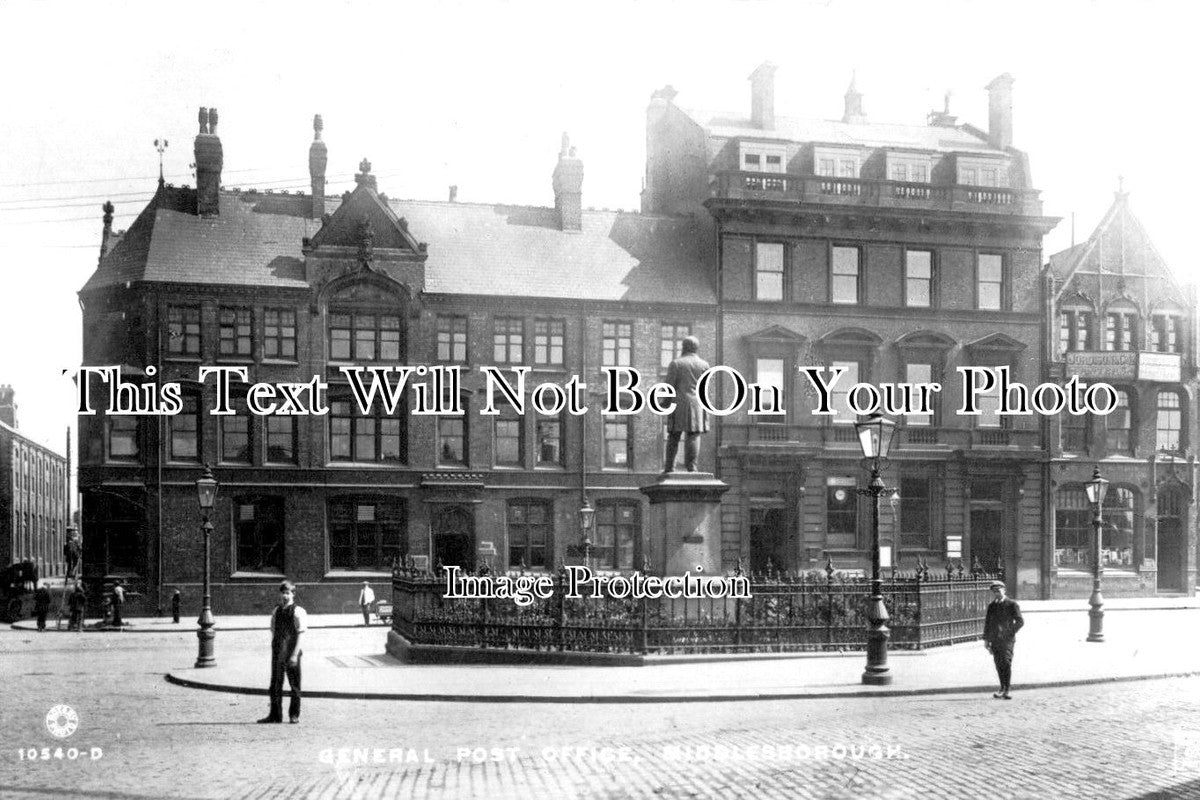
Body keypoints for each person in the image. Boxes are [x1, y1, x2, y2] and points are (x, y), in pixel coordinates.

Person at [259, 580, 307, 724]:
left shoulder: (298, 611)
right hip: (279, 652)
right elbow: (273, 629)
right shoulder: (276, 611)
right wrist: (277, 646)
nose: (285, 596)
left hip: (292, 651)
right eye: (283, 593)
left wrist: (294, 655)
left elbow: (301, 634)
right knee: (275, 684)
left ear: (293, 594)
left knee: (294, 685)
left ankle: (294, 715)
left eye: (288, 593)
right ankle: (275, 715)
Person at [663, 335, 710, 473]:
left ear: (683, 347)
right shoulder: (704, 365)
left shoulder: (676, 363)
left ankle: (669, 468)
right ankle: (692, 467)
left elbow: (669, 387)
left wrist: (665, 403)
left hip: (679, 404)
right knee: (694, 435)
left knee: (674, 435)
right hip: (697, 404)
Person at [983, 580, 1024, 699]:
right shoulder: (992, 606)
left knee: (1006, 662)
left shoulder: (1012, 604)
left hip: (1007, 640)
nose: (997, 593)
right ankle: (1002, 688)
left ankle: (1007, 689)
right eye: (994, 591)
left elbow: (1020, 621)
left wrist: (1009, 632)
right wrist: (986, 640)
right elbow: (988, 623)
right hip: (995, 639)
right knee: (998, 663)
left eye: (999, 590)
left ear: (1004, 590)